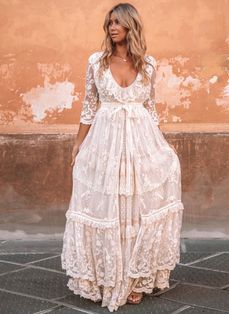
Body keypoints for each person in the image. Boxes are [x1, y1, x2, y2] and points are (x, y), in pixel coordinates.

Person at [61, 2, 184, 312]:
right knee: (110, 209)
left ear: (131, 26)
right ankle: (109, 276)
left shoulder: (149, 65)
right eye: (109, 23)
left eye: (118, 22)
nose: (112, 27)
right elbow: (89, 106)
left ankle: (135, 279)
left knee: (138, 209)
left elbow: (150, 109)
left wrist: (164, 146)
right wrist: (78, 144)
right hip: (105, 146)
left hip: (140, 146)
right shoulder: (96, 62)